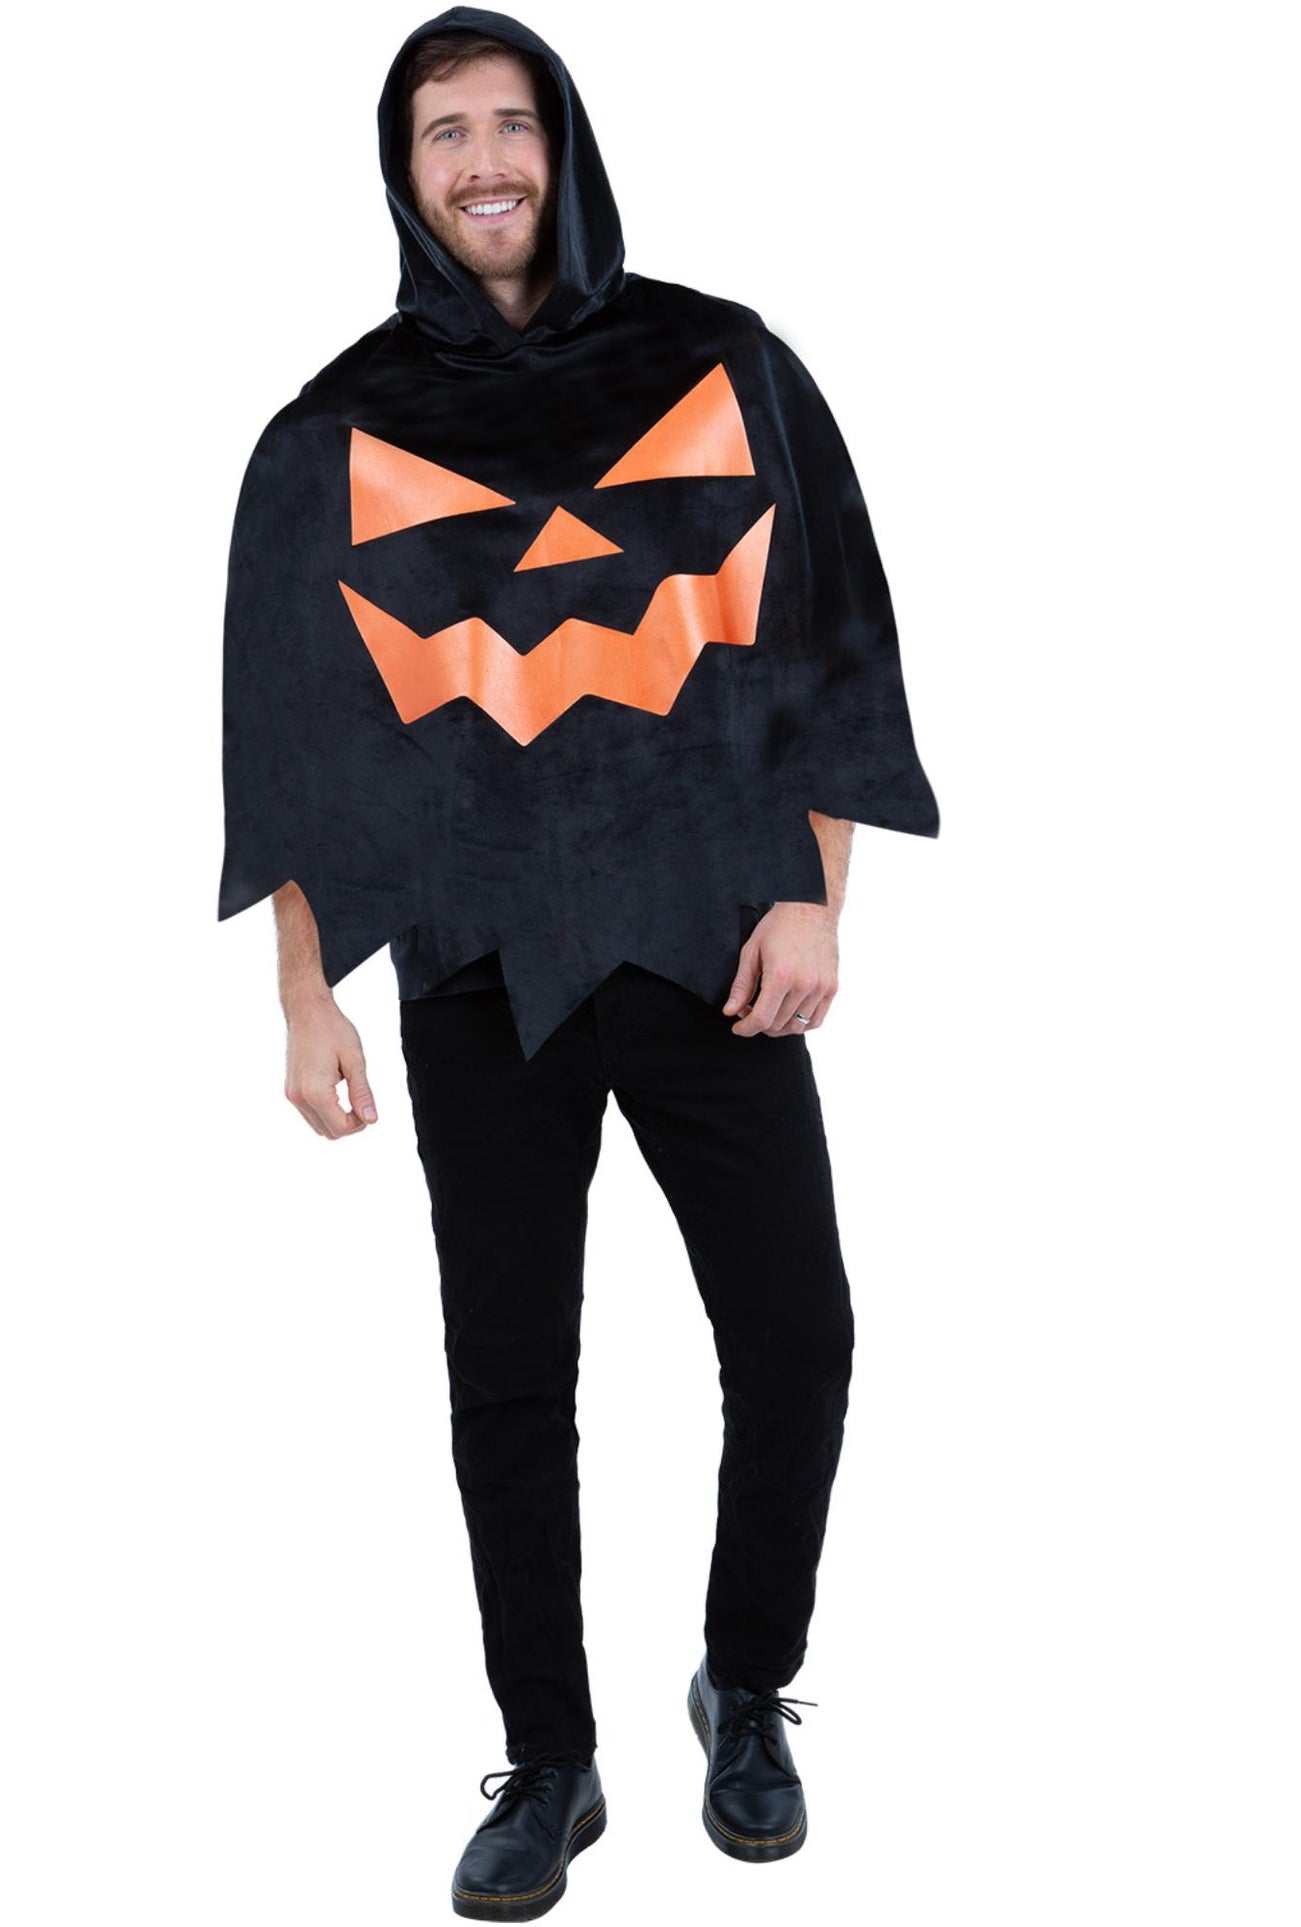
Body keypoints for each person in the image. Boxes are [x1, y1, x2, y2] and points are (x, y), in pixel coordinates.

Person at [219, 8, 939, 1917]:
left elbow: (831, 636)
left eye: (508, 122)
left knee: (795, 1332)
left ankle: (744, 1682)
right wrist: (302, 993)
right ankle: (549, 1755)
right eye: (441, 131)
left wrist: (818, 895)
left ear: (563, 143)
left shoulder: (718, 363)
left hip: (713, 935)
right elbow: (296, 736)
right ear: (403, 171)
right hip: (477, 961)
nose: (481, 161)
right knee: (506, 1370)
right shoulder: (340, 430)